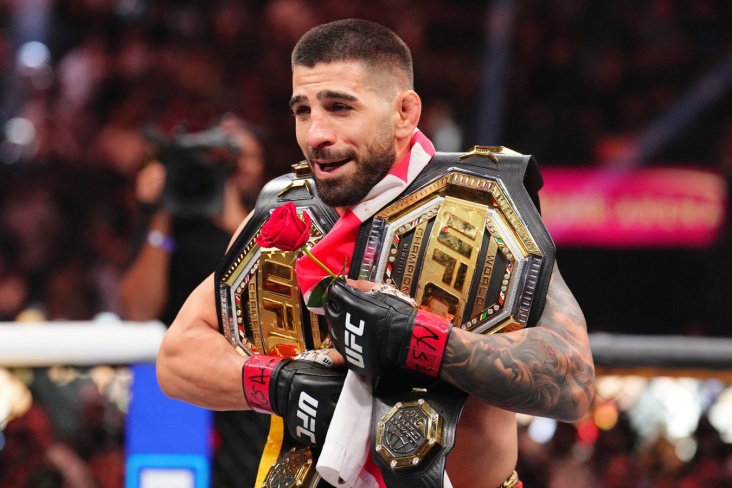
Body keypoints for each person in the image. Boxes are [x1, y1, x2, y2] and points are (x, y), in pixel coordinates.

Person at [156, 19, 595, 488]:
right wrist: (279, 382)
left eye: (340, 107)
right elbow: (177, 358)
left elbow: (571, 381)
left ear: (404, 112)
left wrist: (421, 340)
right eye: (302, 110)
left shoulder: (484, 215)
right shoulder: (281, 219)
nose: (315, 134)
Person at [119, 115, 268, 487]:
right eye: (222, 158)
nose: (232, 168)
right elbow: (139, 310)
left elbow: (271, 293)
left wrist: (234, 218)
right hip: (178, 388)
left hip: (249, 392)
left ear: (261, 166)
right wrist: (163, 212)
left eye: (241, 157)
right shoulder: (172, 225)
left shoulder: (275, 219)